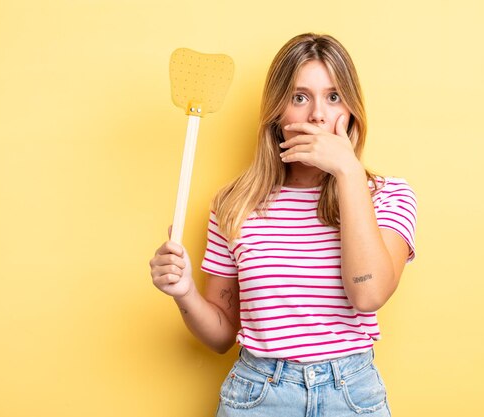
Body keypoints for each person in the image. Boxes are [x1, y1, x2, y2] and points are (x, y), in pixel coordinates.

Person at [149, 32, 417, 416]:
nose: (318, 116)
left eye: (334, 96)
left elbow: (368, 294)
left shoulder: (388, 197)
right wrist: (184, 291)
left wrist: (348, 173)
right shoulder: (234, 204)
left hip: (352, 395)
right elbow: (223, 335)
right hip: (258, 396)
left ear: (353, 111)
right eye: (300, 97)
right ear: (277, 113)